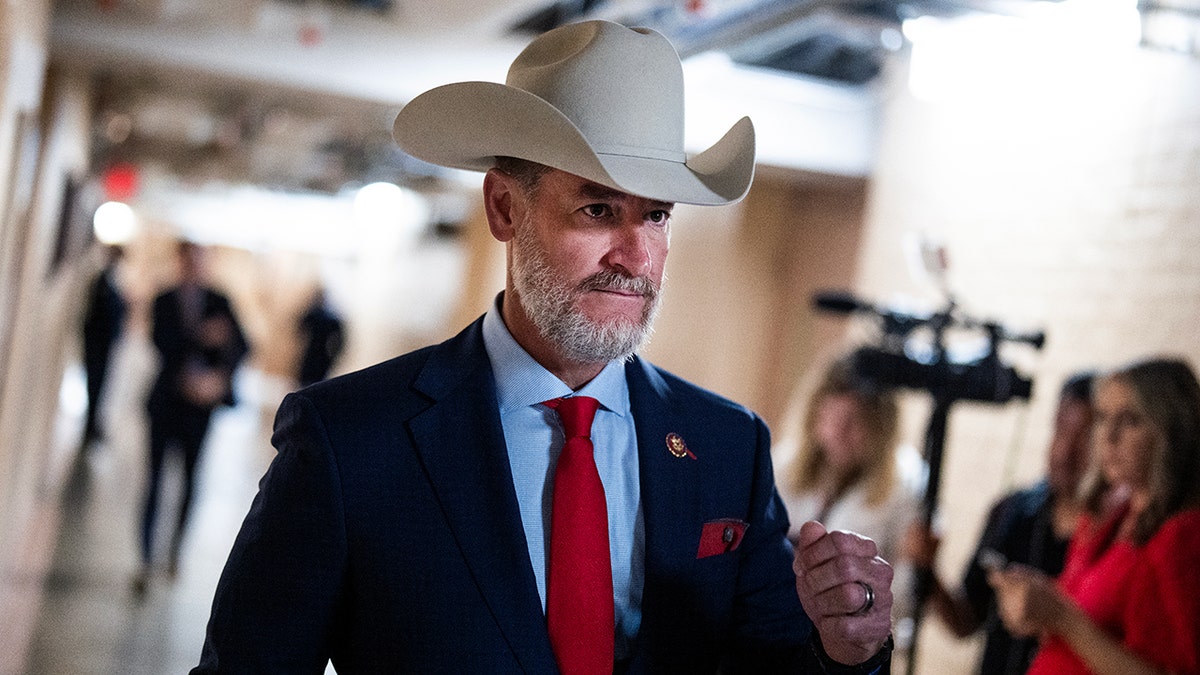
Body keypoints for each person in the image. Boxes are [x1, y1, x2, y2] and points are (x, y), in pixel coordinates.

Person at [193, 20, 894, 673]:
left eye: (655, 216)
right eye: (598, 210)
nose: (634, 255)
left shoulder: (727, 446)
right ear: (504, 207)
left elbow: (772, 660)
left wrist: (844, 645)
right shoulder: (350, 441)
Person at [989, 358, 1200, 674]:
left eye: (1130, 420)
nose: (1109, 435)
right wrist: (1038, 602)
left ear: (1170, 431)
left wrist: (1061, 616)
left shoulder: (1183, 534)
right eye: (1103, 418)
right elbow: (1088, 623)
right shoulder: (1111, 516)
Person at [902, 371, 1095, 674]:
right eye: (1060, 430)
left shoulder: (1117, 533)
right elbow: (966, 622)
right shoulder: (1011, 511)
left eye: (1084, 438)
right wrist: (928, 569)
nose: (1064, 451)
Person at [779, 356, 925, 646]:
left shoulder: (908, 483)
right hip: (781, 631)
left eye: (855, 421)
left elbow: (905, 595)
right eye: (832, 416)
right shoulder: (782, 466)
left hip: (856, 642)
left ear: (881, 428)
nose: (840, 431)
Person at [137, 241, 248, 594]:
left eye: (201, 260)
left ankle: (174, 553)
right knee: (154, 479)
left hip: (199, 409)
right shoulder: (163, 299)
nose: (195, 266)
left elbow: (242, 345)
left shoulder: (220, 301)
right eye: (190, 260)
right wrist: (200, 337)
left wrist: (218, 378)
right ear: (180, 261)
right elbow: (160, 343)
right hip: (166, 402)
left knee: (190, 480)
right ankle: (145, 556)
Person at [80, 244, 127, 449]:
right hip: (98, 345)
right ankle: (90, 426)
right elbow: (99, 314)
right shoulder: (103, 281)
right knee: (95, 384)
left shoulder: (112, 281)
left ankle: (94, 424)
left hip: (105, 345)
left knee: (102, 386)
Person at [295, 286, 344, 387]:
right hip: (315, 354)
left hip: (318, 355)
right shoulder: (325, 318)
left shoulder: (320, 317)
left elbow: (299, 329)